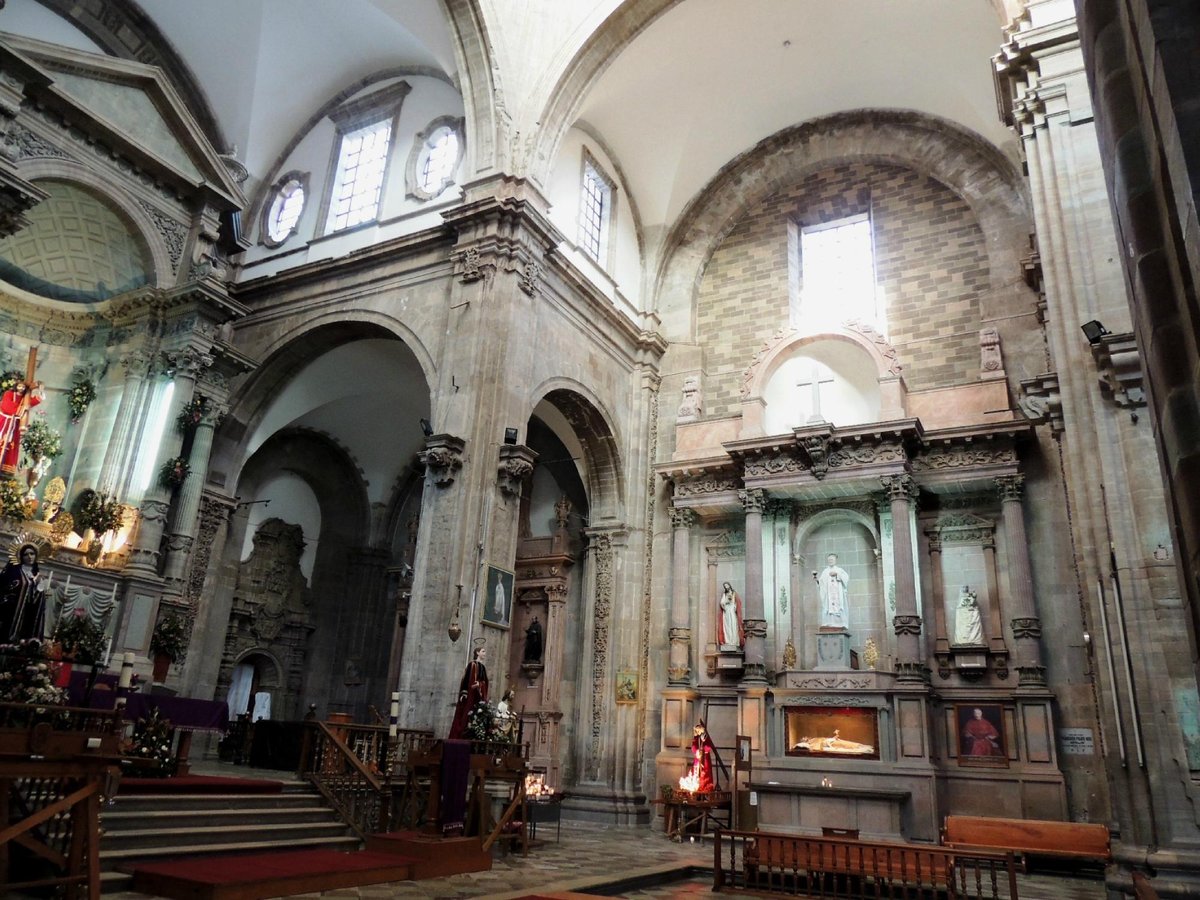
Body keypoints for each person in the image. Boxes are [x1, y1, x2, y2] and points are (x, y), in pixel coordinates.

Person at [0, 543, 47, 642]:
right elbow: (6, 588)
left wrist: (39, 588)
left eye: (32, 553)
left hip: (27, 614)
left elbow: (36, 600)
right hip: (12, 612)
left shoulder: (36, 575)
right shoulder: (14, 572)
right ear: (21, 556)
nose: (29, 557)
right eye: (26, 554)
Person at [0, 380, 42, 477]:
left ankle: (5, 468)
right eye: (20, 386)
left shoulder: (24, 398)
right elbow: (6, 405)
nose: (21, 388)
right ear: (16, 386)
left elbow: (32, 402)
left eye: (23, 387)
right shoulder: (9, 393)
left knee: (11, 446)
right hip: (3, 421)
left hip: (14, 425)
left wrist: (40, 392)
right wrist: (22, 408)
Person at [448, 646, 489, 739]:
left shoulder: (483, 667)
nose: (485, 653)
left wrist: (481, 685)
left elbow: (484, 681)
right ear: (477, 653)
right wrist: (464, 692)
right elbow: (466, 679)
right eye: (483, 651)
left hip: (479, 695)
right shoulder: (472, 664)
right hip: (471, 694)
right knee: (466, 715)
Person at [816, 553, 850, 628]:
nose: (830, 561)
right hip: (828, 595)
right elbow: (821, 583)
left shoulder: (839, 570)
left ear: (835, 560)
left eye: (832, 559)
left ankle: (840, 623)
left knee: (839, 607)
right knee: (828, 607)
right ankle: (829, 622)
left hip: (838, 594)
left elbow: (846, 579)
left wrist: (837, 574)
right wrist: (817, 580)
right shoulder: (825, 571)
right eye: (829, 560)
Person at [688, 720, 717, 793]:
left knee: (705, 773)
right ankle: (696, 788)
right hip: (698, 759)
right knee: (696, 773)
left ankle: (705, 789)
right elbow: (693, 746)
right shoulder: (696, 738)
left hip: (705, 758)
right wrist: (696, 751)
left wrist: (703, 750)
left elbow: (708, 746)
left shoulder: (705, 737)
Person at [717, 581, 743, 649]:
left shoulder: (734, 593)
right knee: (727, 626)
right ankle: (728, 641)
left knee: (733, 625)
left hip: (732, 610)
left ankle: (734, 641)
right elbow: (722, 603)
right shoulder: (724, 594)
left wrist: (734, 606)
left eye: (727, 585)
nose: (726, 587)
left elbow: (737, 602)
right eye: (725, 586)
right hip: (727, 610)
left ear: (729, 585)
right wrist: (726, 602)